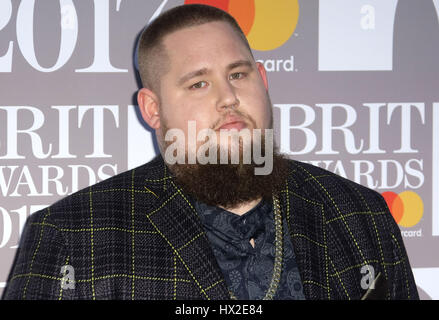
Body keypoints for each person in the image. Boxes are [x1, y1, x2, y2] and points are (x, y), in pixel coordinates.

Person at [2, 4, 418, 300]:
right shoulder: (72, 235)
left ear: (263, 80)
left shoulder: (359, 213)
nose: (229, 98)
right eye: (198, 83)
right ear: (152, 108)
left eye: (238, 74)